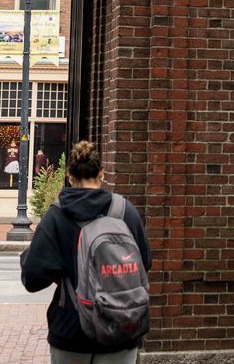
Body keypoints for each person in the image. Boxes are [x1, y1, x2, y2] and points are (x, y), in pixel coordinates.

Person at [20, 139, 152, 363]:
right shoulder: (124, 211)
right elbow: (145, 263)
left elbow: (33, 279)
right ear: (101, 173)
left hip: (72, 331)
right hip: (121, 327)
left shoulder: (56, 216)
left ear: (69, 176)